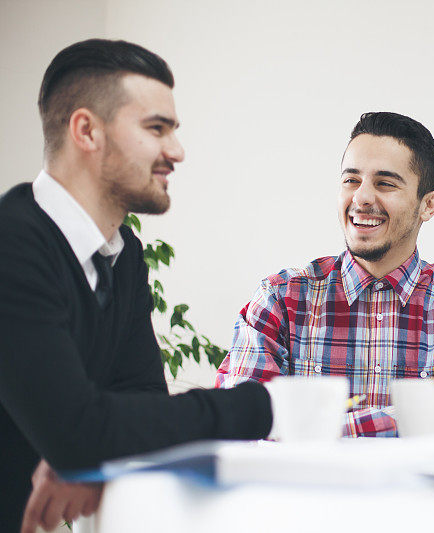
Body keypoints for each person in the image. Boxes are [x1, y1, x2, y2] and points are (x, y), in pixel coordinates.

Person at [0, 39, 275, 532]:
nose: (177, 151)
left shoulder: (123, 255)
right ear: (86, 130)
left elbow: (136, 403)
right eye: (156, 129)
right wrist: (261, 404)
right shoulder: (11, 244)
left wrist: (96, 452)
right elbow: (80, 433)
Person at [216, 112, 434, 444]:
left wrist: (315, 427)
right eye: (351, 180)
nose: (362, 197)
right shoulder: (280, 297)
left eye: (385, 183)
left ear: (428, 205)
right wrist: (417, 423)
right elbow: (240, 419)